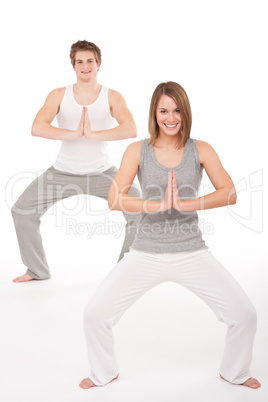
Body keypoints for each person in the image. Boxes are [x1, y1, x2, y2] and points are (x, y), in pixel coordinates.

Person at [79, 81, 261, 390]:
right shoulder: (138, 150)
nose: (171, 118)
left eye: (176, 110)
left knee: (245, 314)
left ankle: (235, 372)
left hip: (191, 251)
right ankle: (104, 373)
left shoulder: (200, 149)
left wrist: (186, 204)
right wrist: (156, 205)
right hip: (146, 252)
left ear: (185, 112)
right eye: (164, 111)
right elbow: (114, 199)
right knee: (95, 314)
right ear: (155, 113)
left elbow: (229, 193)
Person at [11, 40, 141, 282]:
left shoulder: (112, 96)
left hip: (103, 173)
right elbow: (37, 127)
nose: (85, 66)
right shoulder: (59, 94)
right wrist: (73, 134)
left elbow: (130, 129)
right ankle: (37, 270)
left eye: (90, 61)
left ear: (98, 64)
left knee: (141, 208)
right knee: (22, 211)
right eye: (79, 61)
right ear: (73, 65)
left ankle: (126, 270)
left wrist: (93, 135)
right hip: (62, 172)